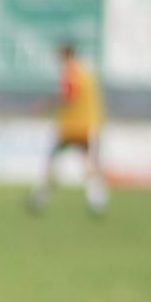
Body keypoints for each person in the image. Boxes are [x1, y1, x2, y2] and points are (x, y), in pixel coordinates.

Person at [28, 42, 107, 215]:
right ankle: (97, 199)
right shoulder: (86, 72)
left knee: (53, 160)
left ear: (67, 55)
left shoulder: (73, 72)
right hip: (85, 124)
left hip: (75, 126)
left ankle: (41, 195)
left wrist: (47, 104)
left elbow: (70, 96)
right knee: (87, 163)